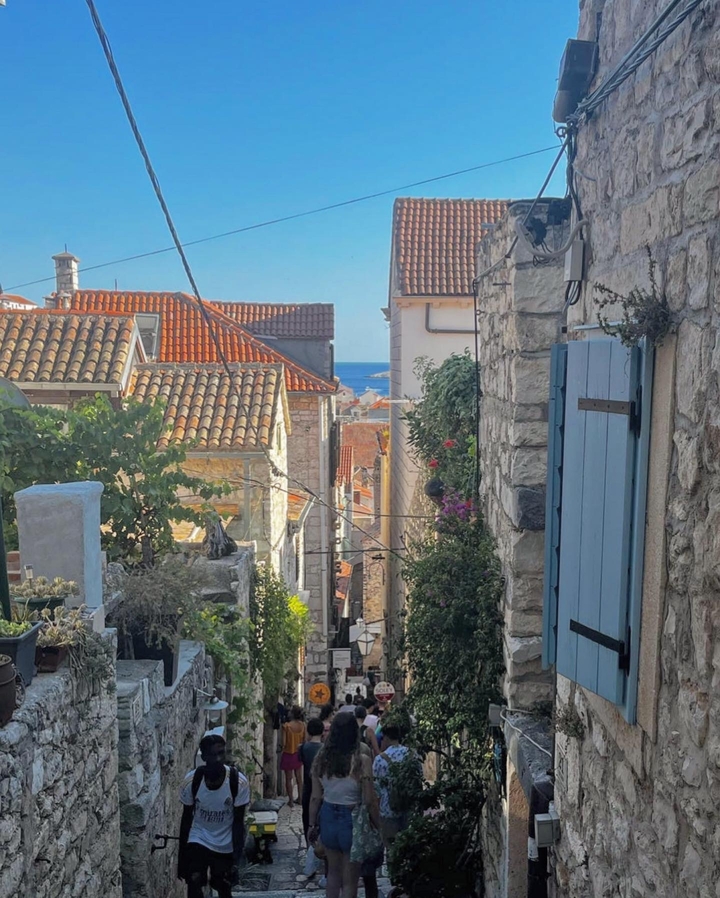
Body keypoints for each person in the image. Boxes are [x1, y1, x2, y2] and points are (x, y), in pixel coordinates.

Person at [308, 712, 381, 898]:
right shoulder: (362, 761)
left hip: (328, 818)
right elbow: (369, 800)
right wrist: (379, 825)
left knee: (332, 874)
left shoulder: (320, 760)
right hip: (352, 821)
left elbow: (316, 797)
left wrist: (311, 825)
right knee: (350, 881)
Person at [178, 734, 250, 898]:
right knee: (194, 882)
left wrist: (236, 860)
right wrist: (182, 859)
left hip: (224, 842)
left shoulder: (237, 782)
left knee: (223, 886)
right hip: (199, 837)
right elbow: (186, 819)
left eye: (221, 754)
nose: (218, 759)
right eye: (212, 755)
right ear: (203, 757)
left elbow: (238, 823)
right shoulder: (192, 781)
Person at [372, 724, 412, 848]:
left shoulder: (380, 759)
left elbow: (376, 788)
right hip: (408, 806)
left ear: (386, 738)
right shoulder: (411, 754)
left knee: (390, 848)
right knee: (408, 846)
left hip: (387, 809)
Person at [298, 718, 324, 840]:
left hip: (308, 788)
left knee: (307, 817)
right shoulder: (325, 749)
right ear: (322, 731)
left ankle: (309, 844)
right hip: (323, 788)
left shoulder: (303, 748)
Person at [281, 705, 306, 808]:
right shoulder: (303, 726)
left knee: (288, 778)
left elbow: (283, 742)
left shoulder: (286, 726)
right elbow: (304, 740)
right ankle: (300, 798)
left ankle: (290, 800)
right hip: (298, 753)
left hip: (288, 752)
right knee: (299, 778)